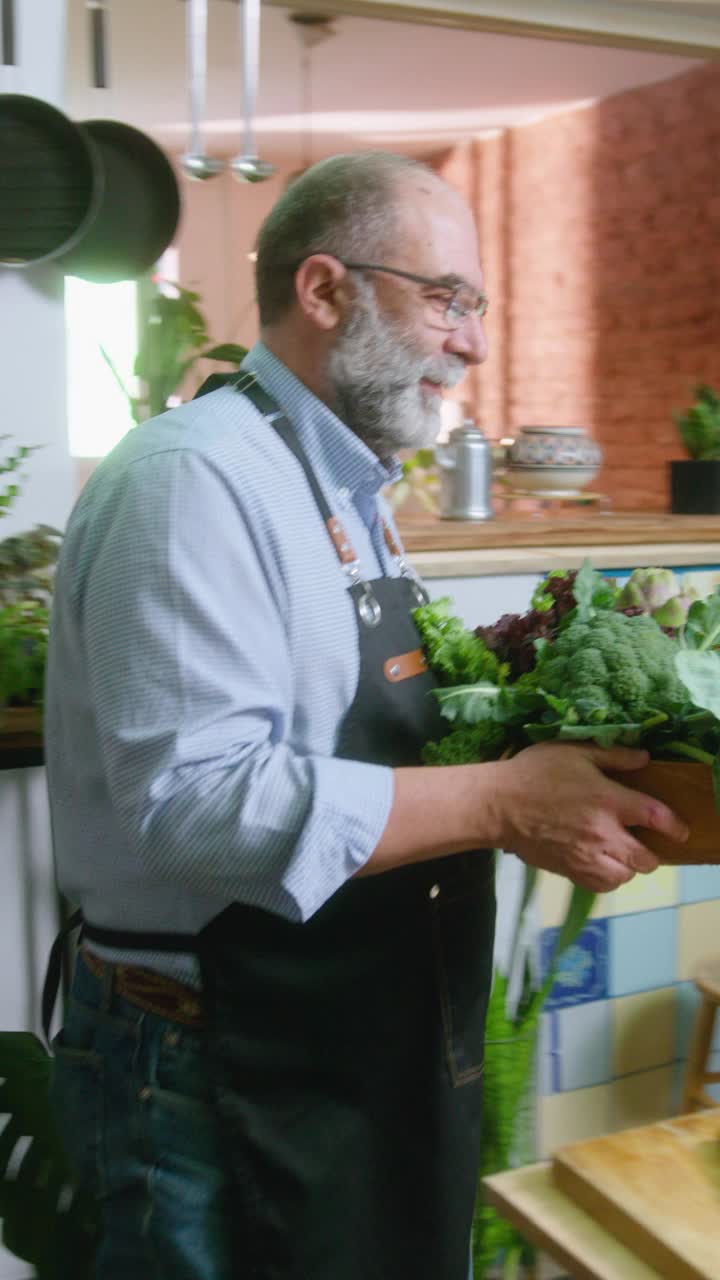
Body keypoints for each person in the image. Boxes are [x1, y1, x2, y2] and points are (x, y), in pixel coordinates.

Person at [43, 151, 687, 1280]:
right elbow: (200, 803)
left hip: (333, 1035)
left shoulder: (342, 486)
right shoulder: (192, 480)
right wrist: (498, 795)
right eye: (447, 297)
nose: (475, 341)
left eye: (475, 305)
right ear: (326, 289)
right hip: (201, 1060)